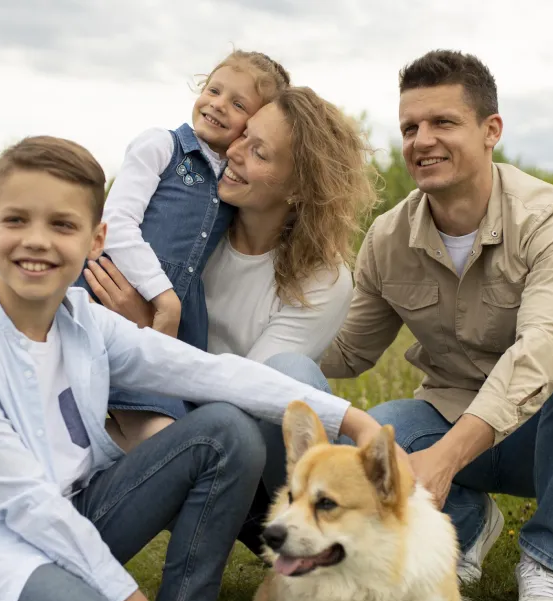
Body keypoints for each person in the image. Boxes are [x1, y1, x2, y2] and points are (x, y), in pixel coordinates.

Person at [0, 135, 403, 601]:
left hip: (78, 514)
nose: (36, 241)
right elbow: (23, 506)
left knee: (227, 432)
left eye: (62, 225)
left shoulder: (84, 322)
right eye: (17, 220)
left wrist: (350, 418)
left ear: (95, 241)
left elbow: (209, 371)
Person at [315, 50, 553, 601]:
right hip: (448, 418)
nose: (421, 140)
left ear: (491, 131)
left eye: (442, 123)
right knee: (380, 432)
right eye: (410, 127)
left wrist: (446, 458)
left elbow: (545, 351)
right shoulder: (387, 237)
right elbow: (347, 352)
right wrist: (252, 324)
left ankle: (547, 557)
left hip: (544, 438)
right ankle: (465, 521)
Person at [84, 86, 373, 516]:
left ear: (297, 187)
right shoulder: (194, 233)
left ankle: (319, 526)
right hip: (163, 419)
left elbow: (248, 401)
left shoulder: (324, 279)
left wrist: (147, 333)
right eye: (243, 136)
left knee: (292, 375)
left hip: (253, 469)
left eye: (260, 152)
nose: (234, 152)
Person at [75, 50, 291, 449]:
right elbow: (116, 225)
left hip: (178, 330)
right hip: (113, 295)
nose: (218, 105)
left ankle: (96, 466)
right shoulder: (161, 146)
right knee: (163, 440)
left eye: (238, 104)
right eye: (214, 89)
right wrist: (165, 300)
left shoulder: (231, 181)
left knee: (162, 436)